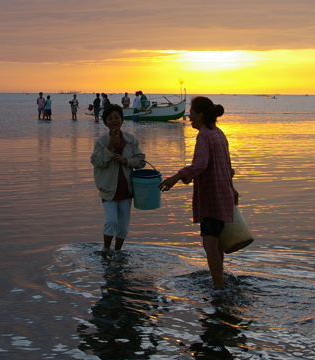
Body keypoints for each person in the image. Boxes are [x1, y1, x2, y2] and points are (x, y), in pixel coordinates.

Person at [159, 96, 238, 290]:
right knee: (217, 243)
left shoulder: (204, 135)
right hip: (224, 195)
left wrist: (176, 177)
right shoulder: (219, 133)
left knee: (210, 245)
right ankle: (221, 281)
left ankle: (219, 287)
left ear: (201, 115)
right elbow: (228, 167)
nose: (189, 117)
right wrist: (232, 188)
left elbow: (200, 164)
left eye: (192, 113)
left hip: (211, 198)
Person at [91, 104, 146, 251]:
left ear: (122, 120)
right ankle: (106, 249)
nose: (114, 120)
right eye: (110, 118)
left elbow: (141, 161)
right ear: (105, 122)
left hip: (126, 190)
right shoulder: (101, 142)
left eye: (117, 117)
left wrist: (126, 161)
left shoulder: (130, 140)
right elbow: (97, 162)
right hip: (108, 189)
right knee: (111, 221)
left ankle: (118, 252)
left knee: (123, 225)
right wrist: (109, 147)